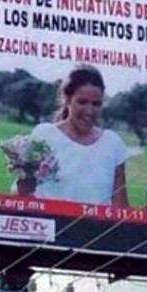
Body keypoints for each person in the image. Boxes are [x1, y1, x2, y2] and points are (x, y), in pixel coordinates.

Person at [16, 65, 130, 206]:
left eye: (96, 104)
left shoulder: (113, 143)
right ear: (67, 100)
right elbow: (21, 195)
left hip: (97, 228)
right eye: (82, 102)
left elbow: (121, 208)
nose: (89, 111)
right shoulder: (44, 135)